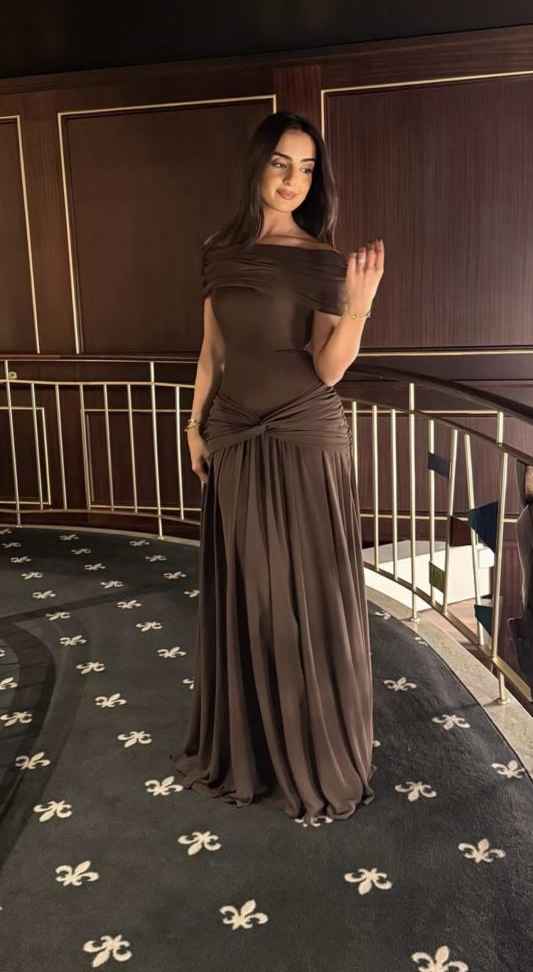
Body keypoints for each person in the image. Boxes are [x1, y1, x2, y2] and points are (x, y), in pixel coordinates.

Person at [173, 110, 385, 823]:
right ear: (258, 165)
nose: (294, 180)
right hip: (233, 432)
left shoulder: (322, 259)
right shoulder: (218, 251)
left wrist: (357, 308)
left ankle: (317, 752)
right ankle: (257, 749)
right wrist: (194, 425)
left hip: (304, 434)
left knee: (309, 596)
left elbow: (327, 369)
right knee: (254, 593)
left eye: (307, 168)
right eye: (281, 164)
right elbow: (212, 351)